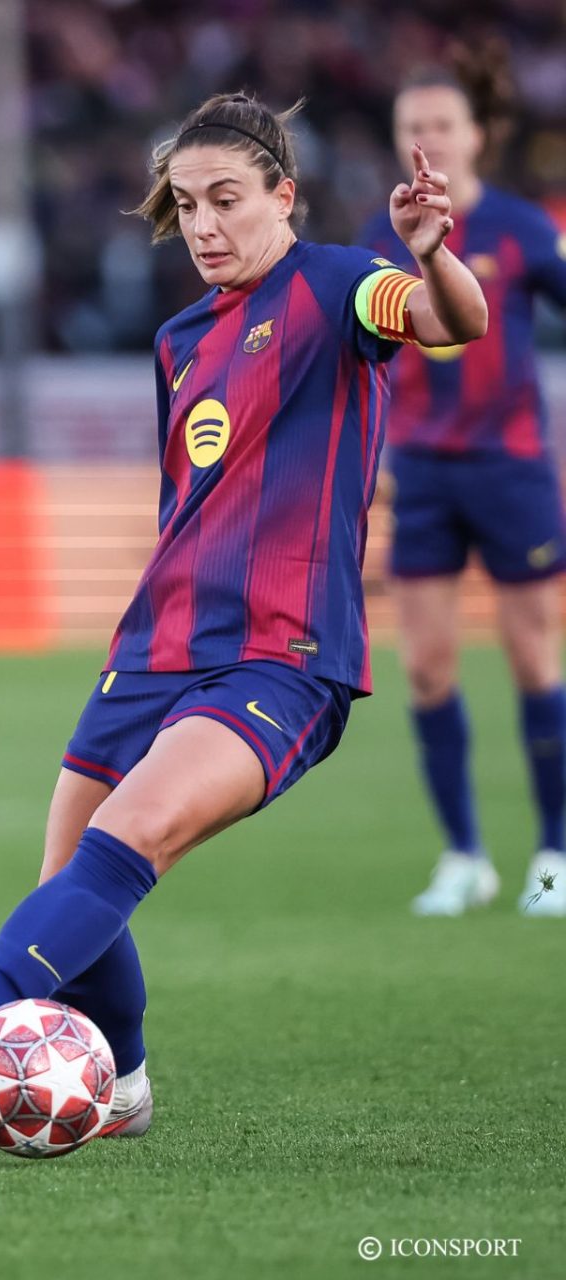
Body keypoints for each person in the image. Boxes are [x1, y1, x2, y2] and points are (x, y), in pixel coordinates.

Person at [0, 93, 487, 1134]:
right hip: (152, 648)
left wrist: (431, 253)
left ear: (283, 197)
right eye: (188, 204)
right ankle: (128, 1081)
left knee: (133, 834)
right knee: (74, 875)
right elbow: (187, 500)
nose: (204, 225)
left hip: (280, 654)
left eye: (227, 200)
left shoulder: (340, 285)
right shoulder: (177, 341)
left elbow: (452, 322)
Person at [359, 46, 566, 919]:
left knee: (532, 660)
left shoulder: (521, 229)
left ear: (476, 136)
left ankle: (553, 858)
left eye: (442, 124)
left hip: (512, 470)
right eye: (413, 127)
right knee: (430, 669)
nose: (428, 138)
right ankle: (464, 856)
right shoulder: (377, 237)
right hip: (424, 478)